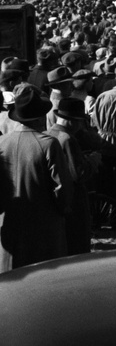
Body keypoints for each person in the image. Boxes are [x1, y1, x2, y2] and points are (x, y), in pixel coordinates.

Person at [0, 84, 71, 272]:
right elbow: (61, 190)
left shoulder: (2, 142)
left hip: (9, 225)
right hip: (43, 229)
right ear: (41, 117)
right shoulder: (48, 144)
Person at [47, 97, 95, 255]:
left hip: (54, 203)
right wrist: (93, 162)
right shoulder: (67, 139)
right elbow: (78, 174)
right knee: (77, 245)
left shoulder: (47, 134)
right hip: (73, 201)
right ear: (74, 121)